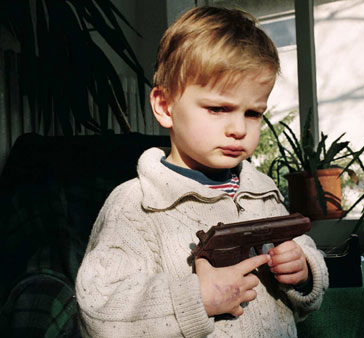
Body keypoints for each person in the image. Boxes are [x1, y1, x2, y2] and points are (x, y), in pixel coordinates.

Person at [75, 6, 328, 337]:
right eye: (218, 108)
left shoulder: (261, 190)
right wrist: (197, 299)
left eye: (253, 113)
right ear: (165, 107)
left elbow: (303, 255)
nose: (238, 128)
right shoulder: (136, 205)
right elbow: (99, 311)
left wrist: (303, 269)